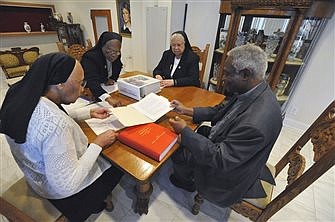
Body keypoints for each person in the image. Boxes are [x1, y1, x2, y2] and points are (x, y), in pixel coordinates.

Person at [0, 53, 124, 221]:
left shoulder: (21, 93)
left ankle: (97, 201)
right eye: (80, 83)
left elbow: (51, 115)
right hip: (60, 194)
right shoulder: (56, 125)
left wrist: (88, 112)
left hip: (35, 176)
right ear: (60, 84)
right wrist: (98, 144)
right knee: (118, 163)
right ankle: (94, 202)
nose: (83, 89)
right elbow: (67, 185)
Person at [168, 44, 282, 208]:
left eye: (227, 73)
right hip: (230, 147)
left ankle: (186, 182)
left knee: (178, 150)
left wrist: (185, 132)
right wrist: (186, 110)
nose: (223, 78)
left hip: (227, 176)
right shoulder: (254, 90)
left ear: (245, 74)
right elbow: (221, 110)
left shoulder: (255, 123)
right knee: (200, 131)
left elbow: (220, 159)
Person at [81, 31, 123, 107]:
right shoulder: (90, 57)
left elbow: (118, 66)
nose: (114, 55)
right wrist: (108, 98)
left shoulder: (115, 54)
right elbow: (92, 82)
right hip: (90, 91)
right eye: (110, 50)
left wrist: (112, 78)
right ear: (102, 47)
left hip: (109, 88)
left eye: (117, 51)